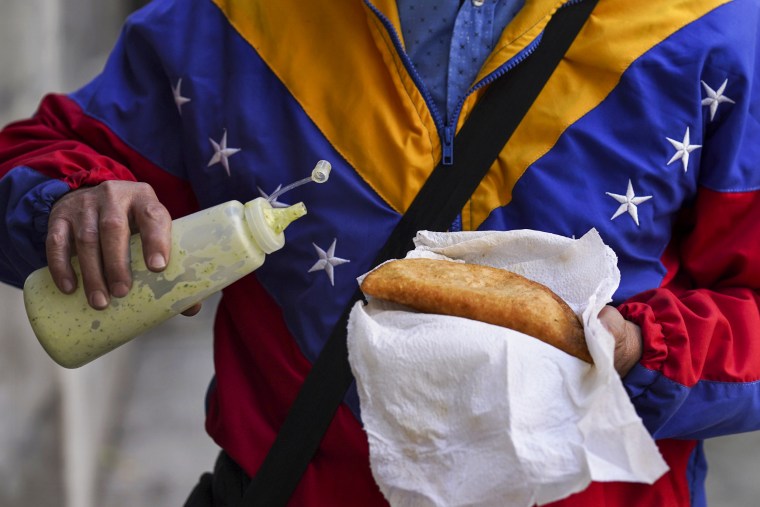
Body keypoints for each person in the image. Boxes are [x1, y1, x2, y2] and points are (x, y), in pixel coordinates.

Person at [1, 0, 758, 505]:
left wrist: (631, 349)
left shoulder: (711, 29)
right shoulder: (239, 17)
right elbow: (36, 157)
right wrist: (69, 207)